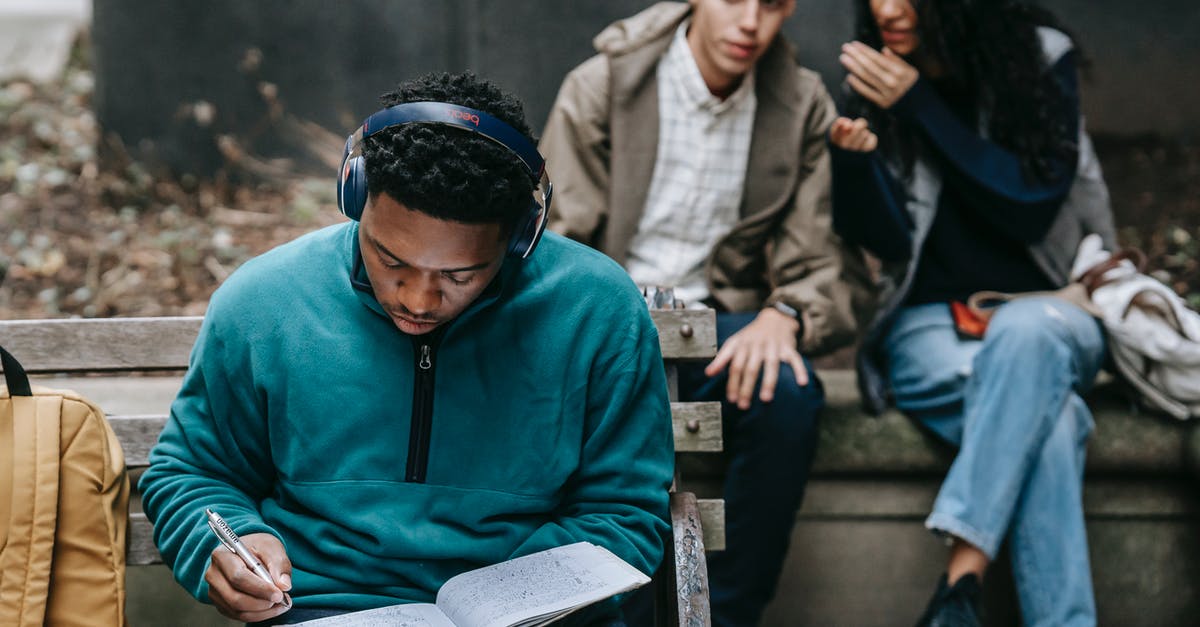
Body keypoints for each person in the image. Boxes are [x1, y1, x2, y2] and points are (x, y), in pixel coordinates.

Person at [139, 71, 674, 626]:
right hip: (319, 613)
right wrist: (229, 543)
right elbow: (193, 472)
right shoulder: (263, 304)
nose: (418, 299)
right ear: (356, 196)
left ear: (521, 237)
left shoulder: (596, 312)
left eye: (460, 275)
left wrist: (526, 603)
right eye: (391, 260)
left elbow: (624, 507)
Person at [541, 2, 872, 624]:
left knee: (789, 389)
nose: (750, 21)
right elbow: (557, 242)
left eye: (771, 3)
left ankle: (732, 614)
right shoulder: (605, 83)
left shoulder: (798, 101)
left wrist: (787, 314)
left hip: (716, 329)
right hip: (608, 326)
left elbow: (819, 255)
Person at [829, 1, 1116, 625]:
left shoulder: (1040, 62)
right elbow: (889, 243)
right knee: (1056, 419)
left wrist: (921, 106)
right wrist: (852, 167)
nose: (887, 7)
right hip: (931, 328)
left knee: (1025, 334)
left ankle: (960, 580)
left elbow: (1030, 205)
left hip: (1058, 309)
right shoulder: (878, 76)